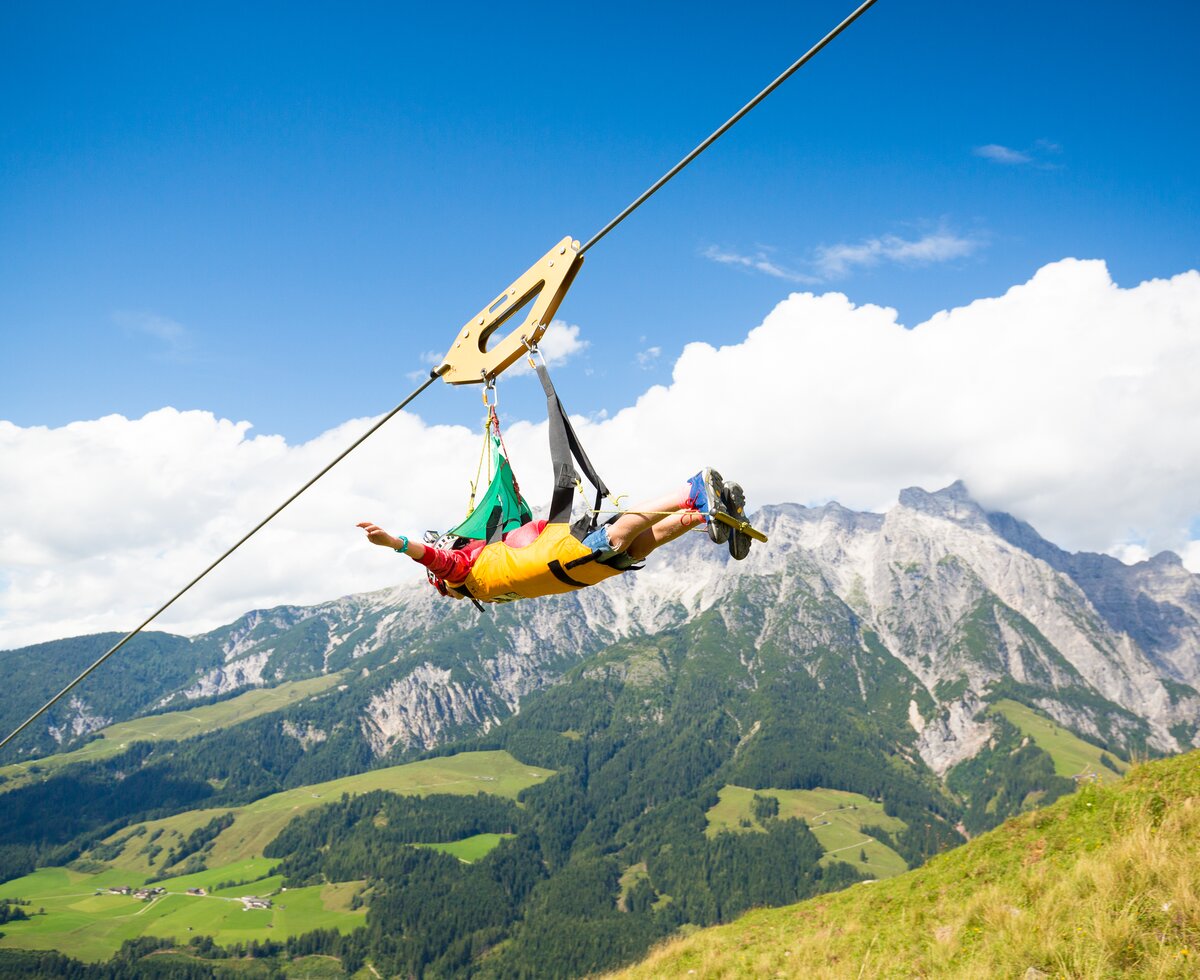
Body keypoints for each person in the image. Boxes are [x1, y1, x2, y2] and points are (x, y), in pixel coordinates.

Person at [358, 468, 752, 603]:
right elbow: (441, 561)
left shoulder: (471, 577)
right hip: (563, 564)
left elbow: (439, 559)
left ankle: (695, 500)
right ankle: (698, 506)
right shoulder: (469, 577)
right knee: (625, 543)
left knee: (622, 541)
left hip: (567, 567)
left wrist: (398, 544)